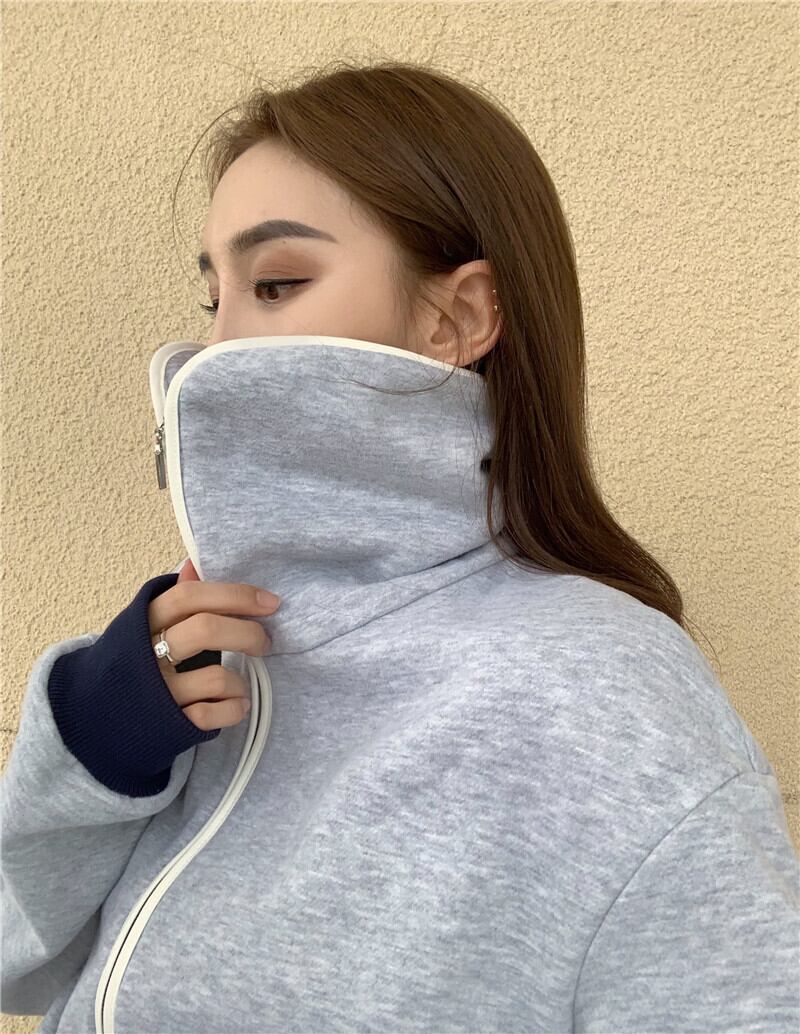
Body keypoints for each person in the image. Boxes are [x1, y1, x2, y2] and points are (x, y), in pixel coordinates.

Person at [2, 60, 798, 1034]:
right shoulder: (194, 659)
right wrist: (88, 753)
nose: (216, 349)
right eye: (215, 297)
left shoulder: (599, 687)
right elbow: (17, 966)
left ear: (455, 318)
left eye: (277, 283)